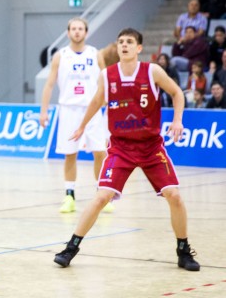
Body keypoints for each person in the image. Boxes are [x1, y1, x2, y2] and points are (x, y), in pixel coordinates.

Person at [53, 28, 200, 272]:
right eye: (121, 41)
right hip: (121, 147)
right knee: (101, 197)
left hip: (151, 147)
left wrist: (178, 120)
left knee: (174, 195)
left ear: (139, 48)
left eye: (129, 42)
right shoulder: (107, 75)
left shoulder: (152, 71)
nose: (124, 45)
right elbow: (97, 101)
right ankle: (70, 248)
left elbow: (177, 93)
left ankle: (183, 251)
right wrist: (82, 126)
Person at [40, 18, 109, 214]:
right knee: (70, 154)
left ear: (86, 32)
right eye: (73, 28)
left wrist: (108, 101)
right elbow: (49, 85)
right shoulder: (60, 56)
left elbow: (106, 80)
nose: (77, 31)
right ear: (68, 32)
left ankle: (102, 195)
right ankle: (69, 196)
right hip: (69, 109)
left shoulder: (96, 54)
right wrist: (43, 111)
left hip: (92, 109)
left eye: (80, 28)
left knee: (100, 152)